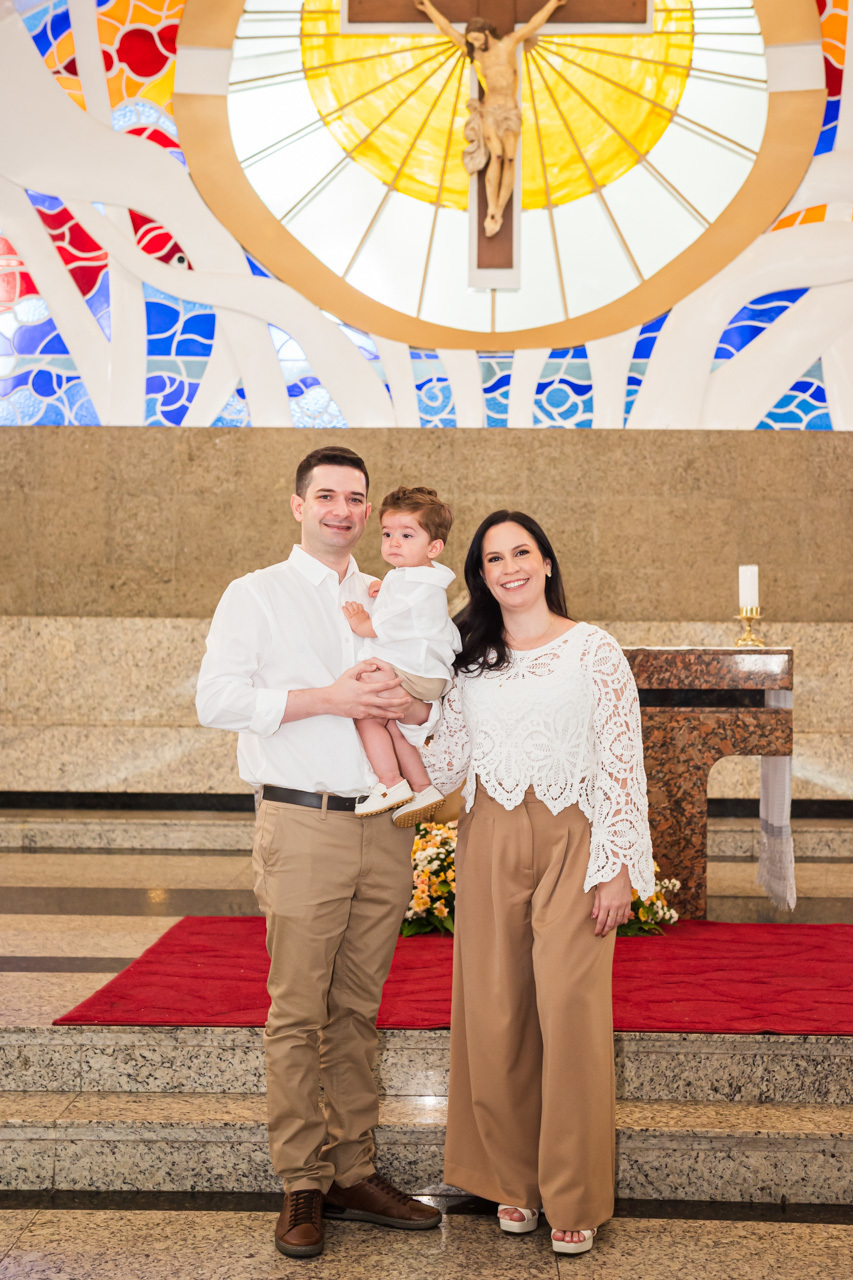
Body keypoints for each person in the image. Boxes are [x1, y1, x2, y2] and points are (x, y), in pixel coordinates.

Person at [195, 447, 441, 1260]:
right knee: (298, 1012)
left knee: (359, 1012)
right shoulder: (254, 594)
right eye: (327, 495)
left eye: (356, 499)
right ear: (297, 505)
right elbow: (218, 700)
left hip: (384, 824)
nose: (343, 509)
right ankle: (302, 1180)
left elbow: (426, 700)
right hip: (302, 824)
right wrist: (330, 699)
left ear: (370, 514)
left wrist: (411, 699)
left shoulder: (386, 593)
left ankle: (354, 1170)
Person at [415, 509, 654, 1256]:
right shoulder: (467, 657)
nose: (509, 566)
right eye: (493, 558)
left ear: (546, 563)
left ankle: (573, 1194)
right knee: (492, 1010)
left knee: (569, 1011)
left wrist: (616, 864)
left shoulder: (593, 649)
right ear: (480, 576)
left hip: (573, 839)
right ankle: (510, 1183)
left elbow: (621, 758)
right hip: (487, 836)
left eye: (521, 552)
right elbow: (447, 757)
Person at [341, 485, 461, 826]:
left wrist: (361, 620)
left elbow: (381, 626)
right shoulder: (414, 579)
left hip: (416, 670)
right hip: (423, 670)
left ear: (434, 547)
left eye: (407, 535)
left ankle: (390, 783)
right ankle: (422, 787)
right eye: (387, 534)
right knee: (391, 722)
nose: (394, 542)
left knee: (364, 707)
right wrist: (385, 589)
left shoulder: (414, 586)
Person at [415, 0, 566, 235]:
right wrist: (428, 8)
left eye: (477, 39)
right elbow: (447, 30)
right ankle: (491, 210)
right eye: (472, 41)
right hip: (490, 112)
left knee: (510, 159)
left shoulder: (508, 44)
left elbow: (534, 24)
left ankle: (499, 209)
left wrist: (554, 4)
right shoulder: (476, 54)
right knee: (496, 155)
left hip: (510, 112)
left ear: (486, 33)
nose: (475, 44)